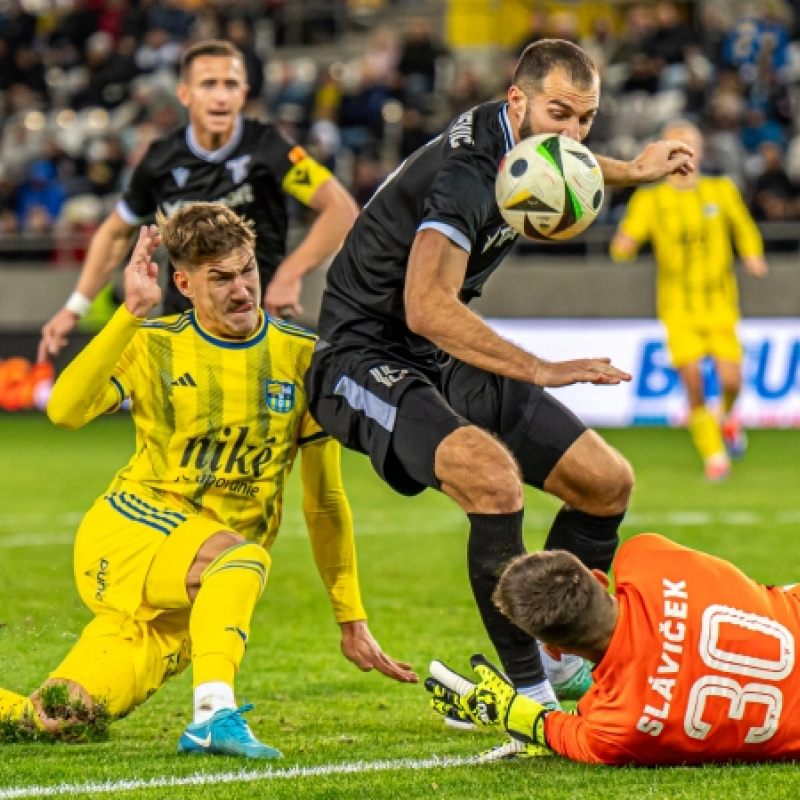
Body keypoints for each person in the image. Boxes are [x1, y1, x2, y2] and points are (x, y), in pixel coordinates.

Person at [304, 38, 694, 758]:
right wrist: (540, 369)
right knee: (490, 476)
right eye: (560, 115)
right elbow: (424, 306)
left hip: (437, 353)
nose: (573, 134)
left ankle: (550, 653)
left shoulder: (527, 141)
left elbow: (567, 163)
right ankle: (526, 697)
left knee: (606, 483)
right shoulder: (466, 176)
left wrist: (633, 171)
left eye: (587, 119)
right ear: (517, 103)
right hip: (361, 356)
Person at [0, 203, 415, 756]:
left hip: (194, 593)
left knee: (56, 718)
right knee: (240, 555)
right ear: (184, 283)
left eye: (247, 271)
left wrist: (351, 616)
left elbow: (324, 500)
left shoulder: (303, 359)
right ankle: (213, 714)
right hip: (130, 534)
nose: (242, 289)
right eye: (220, 278)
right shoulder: (155, 343)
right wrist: (129, 315)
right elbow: (65, 411)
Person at [38, 39, 358, 362]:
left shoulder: (271, 149)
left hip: (254, 327)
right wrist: (74, 308)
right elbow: (115, 233)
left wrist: (290, 274)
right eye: (208, 84)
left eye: (230, 85)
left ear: (243, 94)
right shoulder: (159, 161)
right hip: (182, 333)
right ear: (185, 94)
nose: (220, 96)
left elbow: (341, 210)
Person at [433, 532, 800, 766]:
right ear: (598, 578)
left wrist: (511, 712)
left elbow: (552, 728)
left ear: (553, 649)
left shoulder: (614, 725)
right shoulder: (644, 556)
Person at [611, 120, 768, 482]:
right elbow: (626, 240)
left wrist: (752, 254)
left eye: (689, 146)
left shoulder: (721, 191)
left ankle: (726, 419)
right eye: (676, 147)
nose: (684, 154)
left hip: (720, 303)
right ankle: (715, 457)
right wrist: (623, 246)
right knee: (694, 381)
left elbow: (743, 226)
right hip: (678, 308)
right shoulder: (650, 198)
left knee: (731, 382)